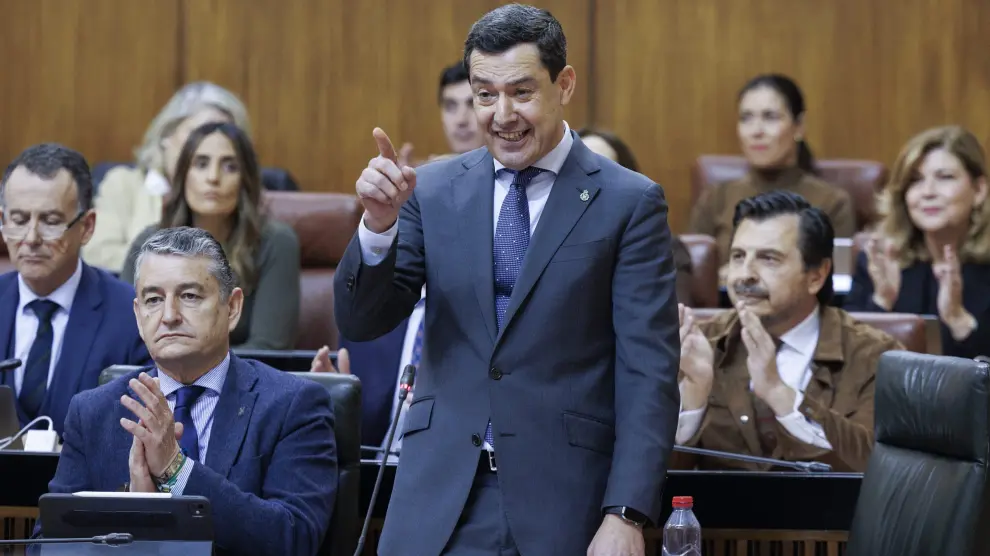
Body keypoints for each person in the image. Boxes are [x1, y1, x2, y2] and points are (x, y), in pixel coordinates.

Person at [333, 5, 680, 556]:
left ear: (564, 85)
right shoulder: (431, 190)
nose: (503, 115)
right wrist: (378, 229)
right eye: (485, 94)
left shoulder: (627, 202)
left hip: (565, 501)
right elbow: (362, 321)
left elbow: (648, 373)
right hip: (438, 496)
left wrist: (627, 513)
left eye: (521, 92)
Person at [41, 227, 336, 556]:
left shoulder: (293, 405)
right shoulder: (93, 413)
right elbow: (48, 545)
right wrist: (137, 523)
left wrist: (176, 470)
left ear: (232, 307)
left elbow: (294, 539)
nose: (169, 316)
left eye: (190, 296)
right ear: (138, 316)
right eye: (154, 300)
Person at [677, 191, 901, 472]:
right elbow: (655, 479)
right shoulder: (697, 345)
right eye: (738, 256)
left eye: (769, 259)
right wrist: (693, 399)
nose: (745, 274)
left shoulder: (875, 356)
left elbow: (878, 470)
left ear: (817, 275)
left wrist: (779, 393)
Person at [0, 143, 150, 435]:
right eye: (18, 220)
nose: (31, 238)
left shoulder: (132, 316)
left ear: (87, 226)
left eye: (51, 222)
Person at [119, 122, 301, 350]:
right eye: (201, 164)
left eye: (230, 167)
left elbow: (269, 347)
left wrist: (198, 364)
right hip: (157, 369)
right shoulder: (149, 243)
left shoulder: (276, 242)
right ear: (183, 175)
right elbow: (125, 339)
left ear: (245, 180)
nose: (213, 177)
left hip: (241, 372)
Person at [688, 74, 856, 279]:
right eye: (746, 118)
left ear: (799, 126)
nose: (756, 131)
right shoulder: (715, 197)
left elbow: (835, 280)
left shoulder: (832, 202)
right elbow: (692, 275)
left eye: (770, 117)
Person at [846, 125, 990, 359]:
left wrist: (958, 319)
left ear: (979, 190)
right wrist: (881, 303)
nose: (928, 192)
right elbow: (846, 362)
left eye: (944, 177)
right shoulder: (879, 263)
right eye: (915, 180)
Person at [83, 81, 251, 274]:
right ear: (167, 135)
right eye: (199, 134)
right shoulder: (124, 184)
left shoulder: (233, 196)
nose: (211, 145)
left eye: (224, 139)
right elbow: (98, 254)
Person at [577, 127, 695, 303]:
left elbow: (673, 314)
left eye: (599, 172)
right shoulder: (544, 240)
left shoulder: (660, 245)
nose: (588, 184)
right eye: (580, 170)